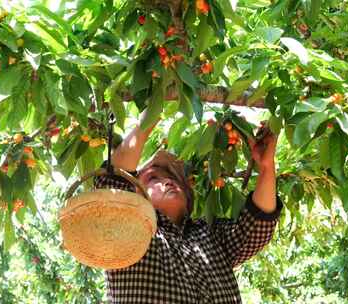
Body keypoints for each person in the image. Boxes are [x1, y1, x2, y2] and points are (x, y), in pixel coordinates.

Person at [94, 112, 282, 303]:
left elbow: (256, 227)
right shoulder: (131, 234)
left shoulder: (211, 235)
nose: (167, 181)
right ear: (136, 194)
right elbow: (112, 183)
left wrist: (266, 167)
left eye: (173, 177)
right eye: (153, 178)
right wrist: (155, 110)